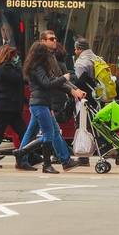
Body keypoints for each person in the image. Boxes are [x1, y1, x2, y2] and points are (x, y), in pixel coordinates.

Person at [16, 38, 85, 173]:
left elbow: (52, 81)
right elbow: (47, 83)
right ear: (40, 54)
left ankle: (23, 156)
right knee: (48, 134)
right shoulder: (37, 67)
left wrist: (71, 89)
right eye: (46, 53)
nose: (49, 55)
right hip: (39, 104)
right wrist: (64, 78)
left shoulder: (40, 66)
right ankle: (28, 157)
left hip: (44, 104)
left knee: (48, 132)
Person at [0, 45, 31, 169]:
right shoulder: (4, 68)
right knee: (0, 133)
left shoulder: (4, 67)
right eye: (15, 55)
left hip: (10, 106)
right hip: (6, 106)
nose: (17, 58)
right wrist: (19, 67)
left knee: (22, 132)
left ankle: (29, 156)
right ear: (9, 56)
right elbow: (18, 79)